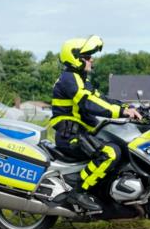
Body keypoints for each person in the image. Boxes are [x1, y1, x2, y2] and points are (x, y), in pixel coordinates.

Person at [47, 36, 141, 213]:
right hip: (70, 137)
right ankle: (79, 191)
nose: (92, 60)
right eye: (88, 56)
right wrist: (121, 112)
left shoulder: (79, 79)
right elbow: (89, 102)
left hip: (79, 134)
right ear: (76, 58)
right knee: (110, 153)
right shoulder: (69, 79)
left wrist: (127, 107)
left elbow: (101, 98)